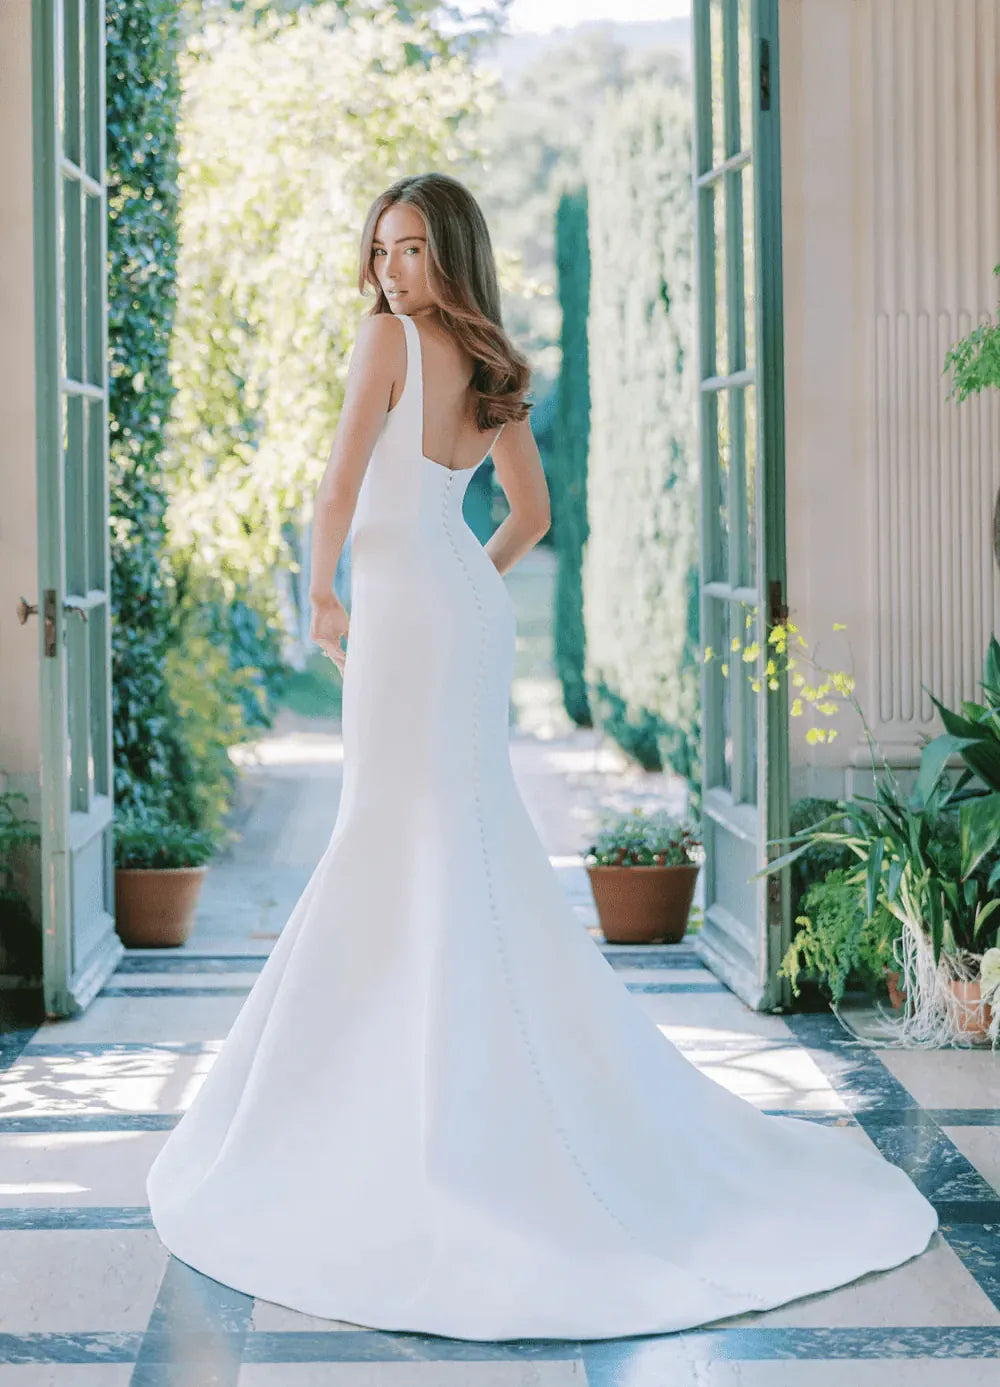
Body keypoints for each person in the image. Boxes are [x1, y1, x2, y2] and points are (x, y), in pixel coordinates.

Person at [146, 172, 938, 1342]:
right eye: (381, 249)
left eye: (412, 250)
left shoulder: (384, 343)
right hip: (458, 608)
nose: (389, 272)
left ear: (449, 254)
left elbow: (338, 480)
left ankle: (397, 1095)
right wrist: (460, 576)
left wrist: (322, 593)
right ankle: (453, 1076)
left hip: (405, 618)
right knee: (446, 834)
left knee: (400, 832)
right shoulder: (493, 366)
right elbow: (531, 515)